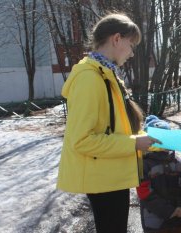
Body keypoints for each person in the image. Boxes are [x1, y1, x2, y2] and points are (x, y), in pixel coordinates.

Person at [56, 13, 159, 233]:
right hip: (102, 178)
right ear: (116, 39)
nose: (131, 53)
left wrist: (144, 136)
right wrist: (133, 143)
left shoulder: (106, 74)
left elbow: (114, 125)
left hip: (110, 174)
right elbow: (82, 140)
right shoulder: (90, 79)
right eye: (131, 45)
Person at [137, 115, 181, 233]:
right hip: (155, 224)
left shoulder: (179, 162)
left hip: (178, 221)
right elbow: (144, 192)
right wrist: (169, 211)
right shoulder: (144, 165)